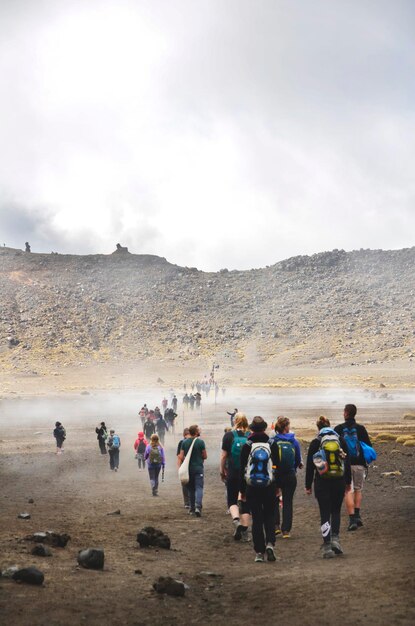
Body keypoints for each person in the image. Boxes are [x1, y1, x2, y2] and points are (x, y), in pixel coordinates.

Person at [305, 416, 351, 558]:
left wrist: (308, 485)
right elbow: (346, 463)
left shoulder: (316, 442)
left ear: (318, 428)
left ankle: (327, 546)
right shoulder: (340, 440)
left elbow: (310, 466)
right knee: (335, 511)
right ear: (329, 426)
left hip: (322, 482)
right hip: (338, 481)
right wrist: (348, 482)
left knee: (325, 512)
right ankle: (336, 540)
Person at [239, 416, 279, 563]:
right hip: (269, 485)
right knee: (269, 515)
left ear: (252, 429)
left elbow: (242, 469)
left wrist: (242, 490)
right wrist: (277, 486)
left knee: (257, 518)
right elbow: (276, 467)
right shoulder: (272, 443)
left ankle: (259, 552)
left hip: (251, 486)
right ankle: (270, 544)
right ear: (264, 428)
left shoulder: (247, 445)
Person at [334, 404, 373, 530]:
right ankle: (357, 516)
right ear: (355, 413)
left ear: (345, 413)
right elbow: (368, 446)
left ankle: (352, 520)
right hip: (360, 464)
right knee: (358, 490)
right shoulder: (361, 429)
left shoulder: (338, 429)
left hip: (345, 464)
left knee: (347, 491)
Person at [220, 413, 251, 541]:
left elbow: (223, 456)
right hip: (248, 474)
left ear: (235, 421)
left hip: (233, 471)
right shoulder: (250, 436)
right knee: (245, 502)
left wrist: (222, 470)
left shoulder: (228, 436)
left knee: (232, 500)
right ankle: (245, 533)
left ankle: (236, 521)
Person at [271, 416, 302, 538]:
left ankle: (276, 526)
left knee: (274, 500)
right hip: (290, 475)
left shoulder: (273, 441)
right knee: (288, 501)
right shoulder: (294, 441)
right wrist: (293, 468)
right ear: (285, 427)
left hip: (276, 474)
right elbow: (298, 459)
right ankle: (286, 531)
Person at [178, 424, 207, 516]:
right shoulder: (201, 442)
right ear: (196, 432)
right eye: (199, 430)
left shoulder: (184, 442)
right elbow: (205, 456)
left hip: (188, 469)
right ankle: (198, 506)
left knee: (191, 489)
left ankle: (192, 509)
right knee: (199, 487)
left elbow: (181, 456)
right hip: (198, 468)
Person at [177, 428, 191, 508]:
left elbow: (179, 456)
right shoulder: (195, 441)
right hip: (191, 466)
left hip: (183, 466)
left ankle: (187, 502)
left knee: (184, 484)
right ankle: (189, 501)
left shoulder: (181, 442)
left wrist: (179, 467)